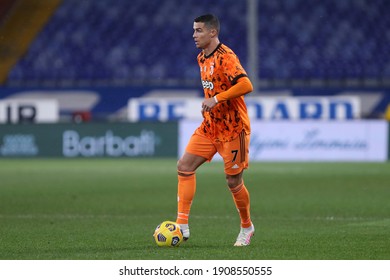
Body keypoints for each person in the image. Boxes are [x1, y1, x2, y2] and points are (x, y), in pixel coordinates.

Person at [176, 14, 254, 246]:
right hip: (210, 126)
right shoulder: (201, 57)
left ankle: (247, 227)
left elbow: (246, 85)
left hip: (233, 129)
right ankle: (181, 225)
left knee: (233, 181)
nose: (194, 35)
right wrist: (210, 103)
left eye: (199, 30)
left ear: (212, 32)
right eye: (194, 30)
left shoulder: (226, 57)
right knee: (184, 166)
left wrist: (217, 99)